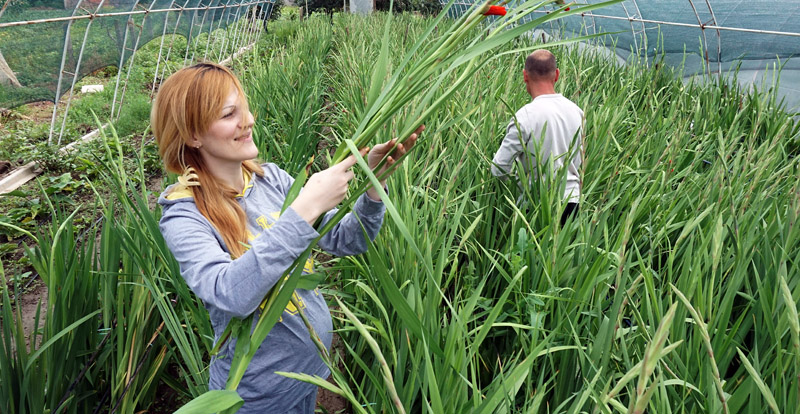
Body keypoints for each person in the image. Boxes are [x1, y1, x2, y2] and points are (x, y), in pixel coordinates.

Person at [151, 62, 423, 413]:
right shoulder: (184, 214)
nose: (247, 120)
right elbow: (228, 292)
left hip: (309, 376)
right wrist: (304, 209)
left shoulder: (270, 179)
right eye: (229, 113)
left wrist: (374, 186)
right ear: (193, 135)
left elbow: (345, 241)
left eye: (244, 108)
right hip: (258, 397)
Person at [491, 49, 584, 226]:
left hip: (534, 205)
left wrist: (517, 186)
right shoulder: (577, 112)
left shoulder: (525, 116)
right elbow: (579, 160)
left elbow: (498, 168)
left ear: (525, 76)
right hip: (571, 202)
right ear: (556, 75)